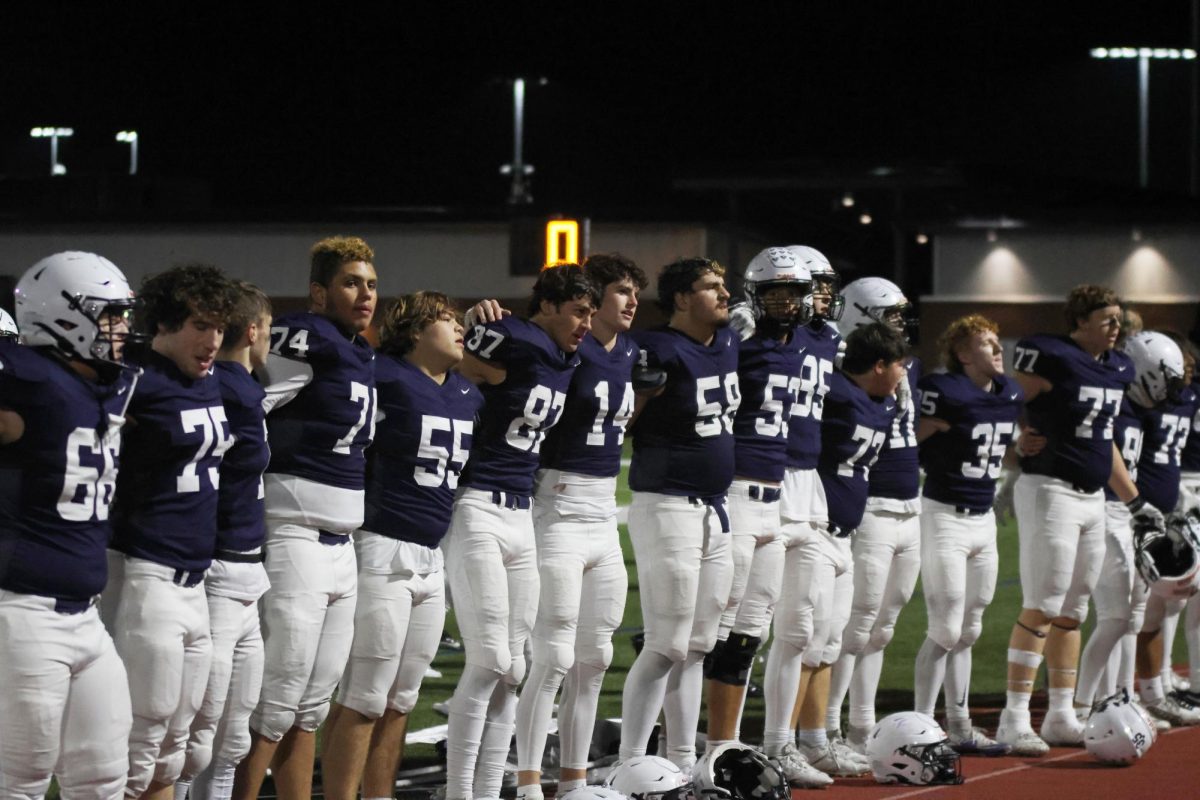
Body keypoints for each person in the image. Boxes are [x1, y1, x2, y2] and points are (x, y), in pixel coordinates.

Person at [444, 264, 598, 800]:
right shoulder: (514, 335)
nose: (585, 323)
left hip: (521, 512)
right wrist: (467, 325)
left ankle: (489, 792)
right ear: (549, 305)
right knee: (490, 662)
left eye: (590, 313)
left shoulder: (566, 356)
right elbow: (445, 361)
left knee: (516, 666)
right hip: (477, 504)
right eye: (578, 311)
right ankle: (461, 792)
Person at [321, 292, 483, 800]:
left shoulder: (466, 393)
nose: (458, 329)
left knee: (401, 699)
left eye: (460, 321)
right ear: (414, 331)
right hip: (381, 545)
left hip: (430, 556)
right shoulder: (382, 376)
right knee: (365, 696)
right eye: (445, 320)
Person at [235, 236, 379, 800]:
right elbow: (248, 402)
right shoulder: (309, 335)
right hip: (295, 530)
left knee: (312, 704)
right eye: (350, 282)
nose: (364, 293)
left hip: (341, 545)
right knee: (277, 698)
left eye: (369, 282)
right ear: (319, 293)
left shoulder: (356, 347)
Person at [995, 284, 1161, 755]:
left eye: (1118, 319)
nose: (1116, 328)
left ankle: (1061, 715)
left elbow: (1102, 439)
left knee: (1073, 612)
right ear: (1080, 321)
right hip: (1050, 490)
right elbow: (1004, 398)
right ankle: (1012, 718)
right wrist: (1014, 440)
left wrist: (1134, 502)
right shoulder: (1050, 355)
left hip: (1093, 499)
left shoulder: (1117, 368)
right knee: (1043, 604)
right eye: (1107, 319)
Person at [0, 251, 139, 797]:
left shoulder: (99, 385)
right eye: (111, 314)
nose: (122, 328)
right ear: (64, 317)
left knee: (104, 774)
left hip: (86, 616)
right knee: (20, 781)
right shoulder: (25, 379)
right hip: (22, 611)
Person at [105, 263, 240, 799]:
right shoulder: (132, 379)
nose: (212, 341)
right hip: (144, 572)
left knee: (179, 747)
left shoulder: (205, 380)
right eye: (200, 326)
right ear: (163, 323)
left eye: (220, 328)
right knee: (139, 742)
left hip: (195, 580)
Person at [513, 254, 646, 800]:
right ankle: (525, 782)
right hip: (557, 505)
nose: (630, 301)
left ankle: (575, 781)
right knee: (553, 655)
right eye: (620, 291)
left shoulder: (633, 349)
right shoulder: (563, 344)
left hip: (600, 512)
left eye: (634, 291)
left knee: (595, 657)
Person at [702, 247, 830, 788]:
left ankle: (723, 749)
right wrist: (728, 335)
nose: (786, 302)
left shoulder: (807, 342)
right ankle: (678, 746)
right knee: (706, 634)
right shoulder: (736, 340)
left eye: (794, 292)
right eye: (774, 292)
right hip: (731, 491)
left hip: (775, 499)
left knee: (748, 634)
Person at [618, 257, 739, 774]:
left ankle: (682, 763)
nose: (724, 294)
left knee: (699, 646)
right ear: (683, 299)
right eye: (712, 287)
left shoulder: (728, 341)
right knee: (667, 644)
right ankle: (631, 766)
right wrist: (641, 391)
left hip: (716, 509)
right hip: (668, 505)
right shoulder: (654, 348)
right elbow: (620, 423)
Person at [176, 282, 274, 800]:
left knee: (232, 735)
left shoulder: (245, 387)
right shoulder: (226, 386)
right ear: (253, 330)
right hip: (217, 569)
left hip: (246, 570)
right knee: (199, 731)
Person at [791, 322, 903, 775]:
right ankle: (783, 741)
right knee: (802, 641)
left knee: (829, 643)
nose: (904, 372)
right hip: (814, 526)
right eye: (899, 363)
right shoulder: (834, 393)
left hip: (844, 534)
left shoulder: (881, 403)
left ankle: (816, 739)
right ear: (877, 365)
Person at [759, 246, 852, 781]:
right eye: (811, 286)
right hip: (759, 479)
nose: (819, 297)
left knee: (801, 628)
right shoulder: (757, 331)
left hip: (806, 482)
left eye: (822, 286)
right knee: (738, 630)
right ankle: (720, 744)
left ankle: (784, 743)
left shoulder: (827, 340)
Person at [913, 315, 1021, 753]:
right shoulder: (943, 392)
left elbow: (1001, 447)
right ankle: (918, 730)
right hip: (944, 516)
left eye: (998, 341)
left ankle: (958, 725)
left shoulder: (1010, 392)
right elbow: (908, 443)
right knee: (945, 627)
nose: (998, 349)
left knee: (970, 628)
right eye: (986, 343)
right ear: (962, 355)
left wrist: (1022, 453)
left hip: (982, 519)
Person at [824, 277, 923, 753]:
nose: (899, 323)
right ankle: (827, 727)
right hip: (869, 505)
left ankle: (863, 727)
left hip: (909, 506)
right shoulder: (840, 369)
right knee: (854, 625)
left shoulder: (904, 368)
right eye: (890, 314)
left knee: (881, 629)